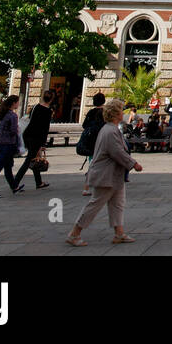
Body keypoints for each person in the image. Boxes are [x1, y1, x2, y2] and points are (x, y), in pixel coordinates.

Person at [67, 99, 141, 246]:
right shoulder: (110, 131)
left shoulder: (111, 129)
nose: (123, 113)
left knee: (118, 204)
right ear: (115, 113)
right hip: (105, 175)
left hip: (113, 175)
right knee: (95, 204)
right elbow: (117, 152)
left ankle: (119, 233)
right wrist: (134, 164)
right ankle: (74, 234)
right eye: (121, 110)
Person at [15, 90, 54, 190]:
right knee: (28, 161)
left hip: (28, 134)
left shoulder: (36, 107)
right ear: (51, 99)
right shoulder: (48, 111)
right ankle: (15, 183)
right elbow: (45, 128)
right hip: (36, 138)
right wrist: (43, 143)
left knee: (35, 158)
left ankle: (39, 182)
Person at [0, 95, 23, 197]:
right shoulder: (13, 116)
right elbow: (13, 131)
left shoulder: (1, 114)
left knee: (8, 167)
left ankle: (15, 187)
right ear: (14, 103)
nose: (18, 104)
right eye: (17, 102)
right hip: (8, 144)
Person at [81, 92, 107, 197]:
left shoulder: (91, 112)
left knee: (92, 163)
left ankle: (87, 187)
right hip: (102, 141)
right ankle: (100, 186)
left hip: (91, 141)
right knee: (103, 163)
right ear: (104, 101)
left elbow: (84, 125)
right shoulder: (105, 112)